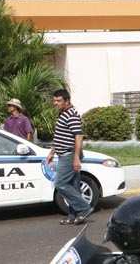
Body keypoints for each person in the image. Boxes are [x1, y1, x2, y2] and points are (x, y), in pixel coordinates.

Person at [45, 89, 93, 225]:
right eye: (54, 100)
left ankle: (83, 208)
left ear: (67, 101)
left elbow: (78, 136)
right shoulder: (63, 114)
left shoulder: (72, 115)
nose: (55, 103)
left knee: (60, 183)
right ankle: (72, 216)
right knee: (73, 185)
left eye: (59, 101)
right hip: (64, 154)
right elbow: (61, 137)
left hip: (69, 154)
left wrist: (76, 158)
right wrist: (52, 153)